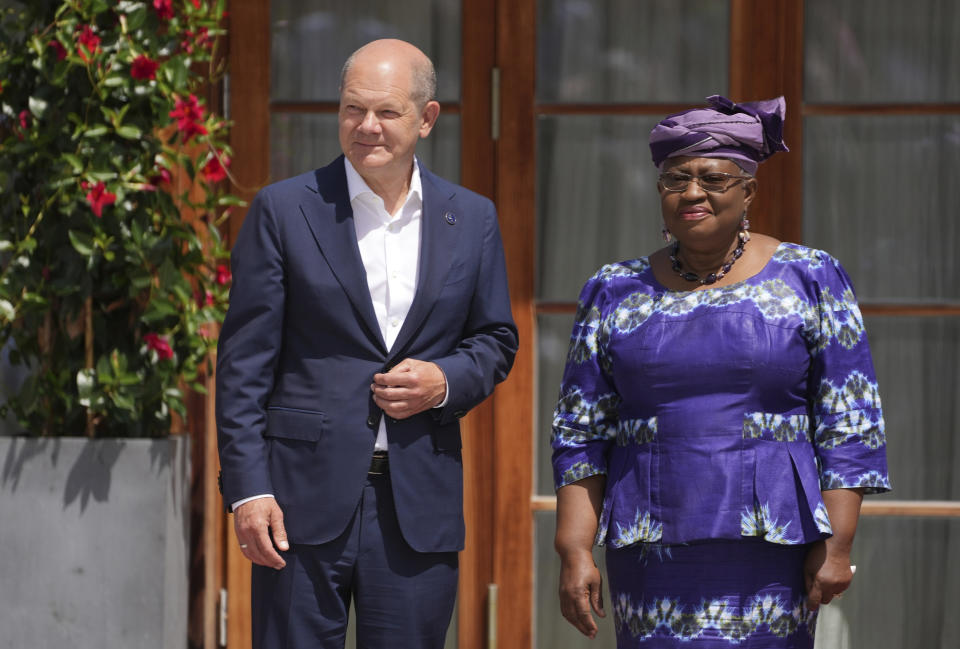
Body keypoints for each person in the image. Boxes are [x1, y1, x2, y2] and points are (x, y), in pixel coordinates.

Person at [551, 95, 890, 648]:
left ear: (748, 190)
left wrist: (840, 542)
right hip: (649, 546)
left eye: (713, 178)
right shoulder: (613, 288)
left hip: (773, 546)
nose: (691, 193)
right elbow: (580, 431)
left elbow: (851, 418)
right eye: (674, 179)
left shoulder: (810, 277)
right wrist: (574, 550)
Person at [216, 39, 518, 649]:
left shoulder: (474, 218)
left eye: (387, 112)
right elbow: (242, 366)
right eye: (354, 109)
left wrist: (445, 382)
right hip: (297, 505)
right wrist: (249, 490)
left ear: (426, 119)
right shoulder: (283, 210)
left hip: (417, 505)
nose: (367, 127)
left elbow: (495, 339)